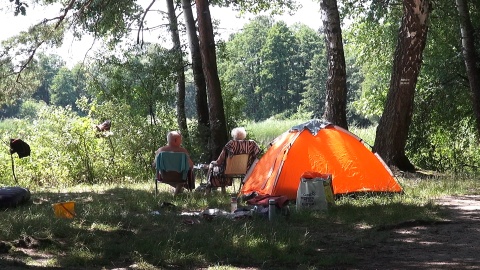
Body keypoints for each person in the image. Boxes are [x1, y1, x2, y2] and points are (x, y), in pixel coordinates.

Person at [206, 127, 261, 194]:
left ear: (234, 136)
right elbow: (259, 156)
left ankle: (208, 187)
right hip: (245, 170)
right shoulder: (251, 144)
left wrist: (213, 162)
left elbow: (219, 161)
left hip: (229, 170)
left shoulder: (231, 144)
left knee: (212, 165)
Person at [154, 131, 194, 195]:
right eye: (180, 140)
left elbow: (155, 164)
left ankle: (178, 189)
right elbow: (191, 165)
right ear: (176, 140)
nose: (181, 142)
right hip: (181, 177)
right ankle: (186, 189)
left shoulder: (160, 151)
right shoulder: (183, 152)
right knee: (189, 171)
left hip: (164, 176)